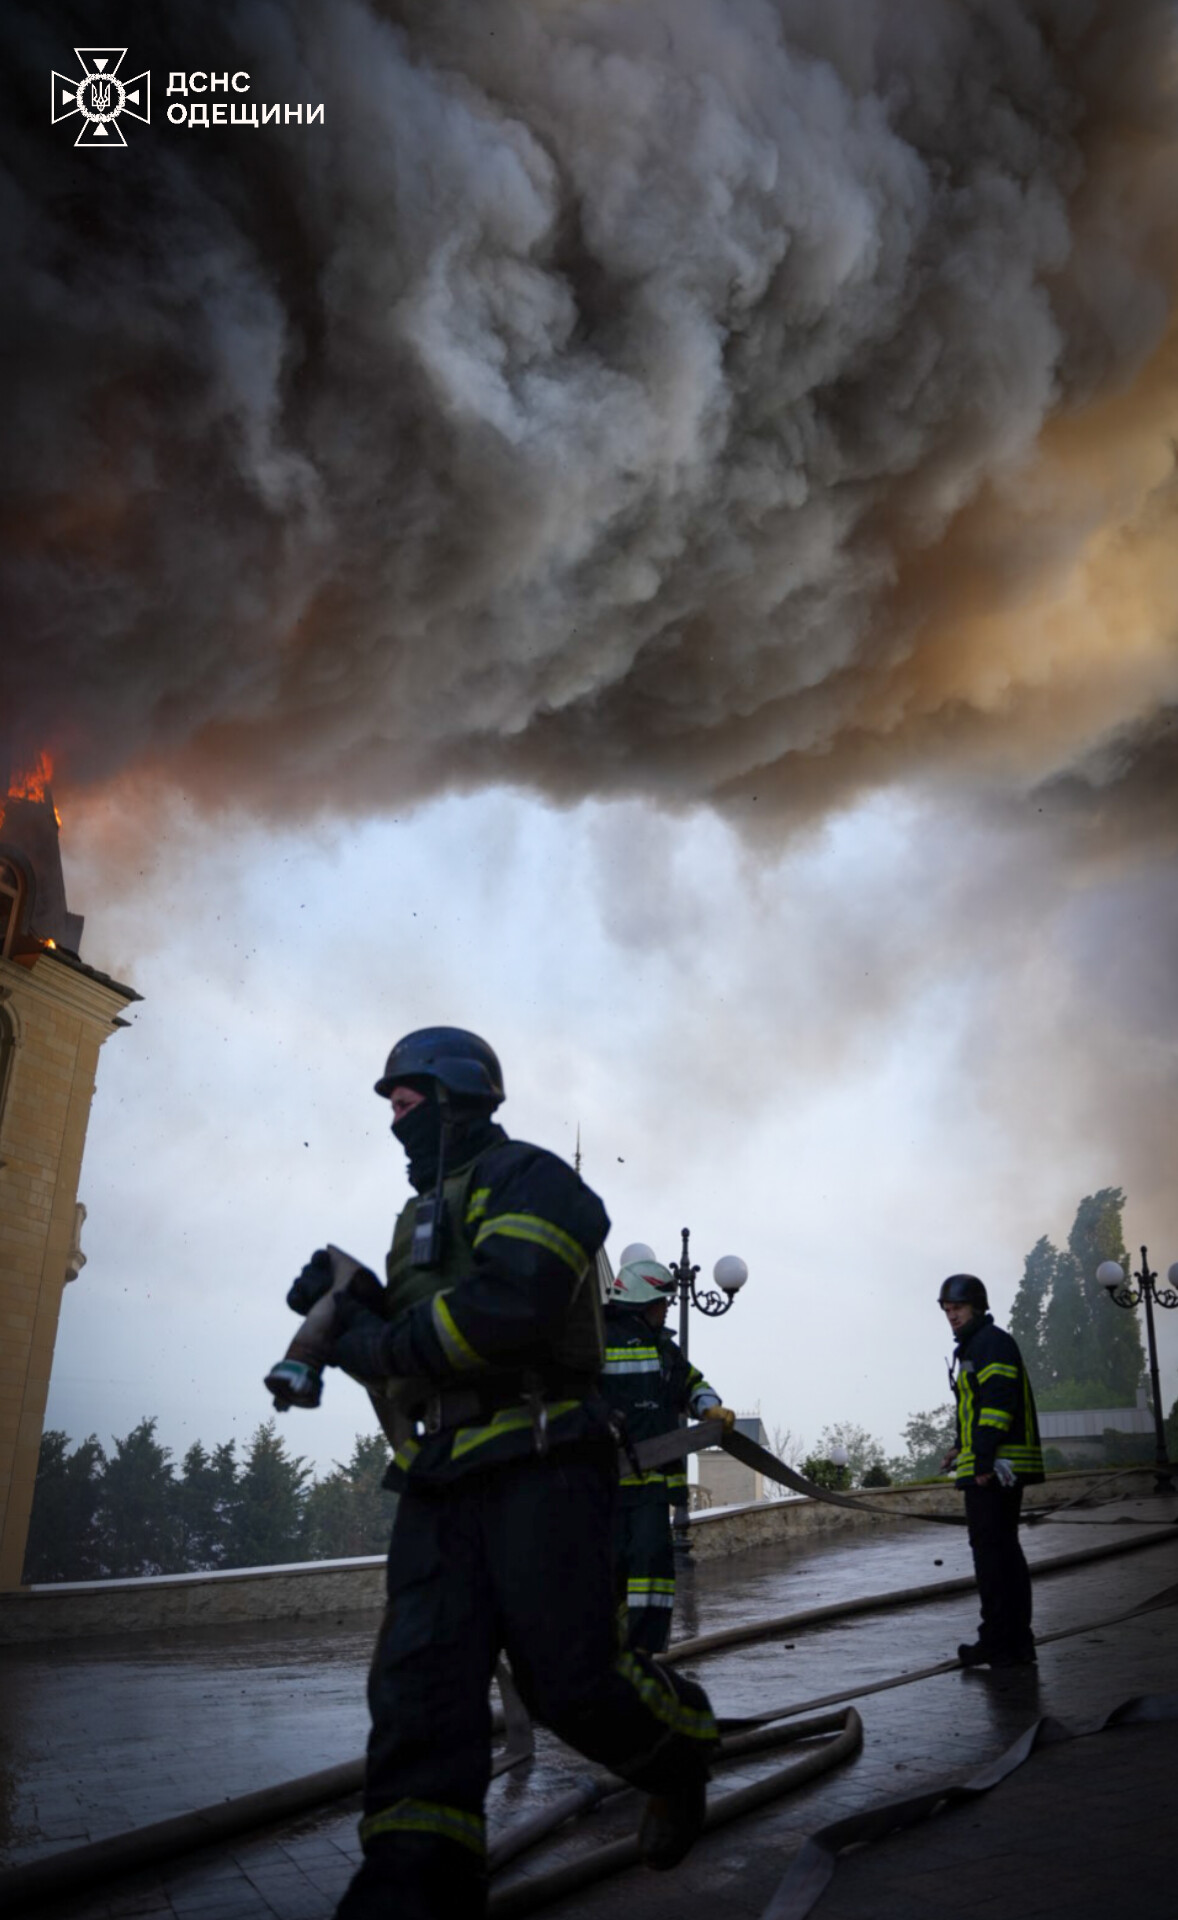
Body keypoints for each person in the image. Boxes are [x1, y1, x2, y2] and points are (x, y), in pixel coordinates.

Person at [288, 1027, 719, 1920]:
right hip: (441, 1480)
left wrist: (376, 1339)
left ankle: (681, 1750)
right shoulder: (420, 1220)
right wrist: (351, 1305)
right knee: (418, 1700)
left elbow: (507, 1306)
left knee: (571, 1683)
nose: (394, 1119)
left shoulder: (535, 1180)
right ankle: (408, 1897)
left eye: (405, 1100)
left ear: (454, 1096)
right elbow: (424, 1329)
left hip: (541, 1466)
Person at [602, 1255, 737, 1652]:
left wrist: (708, 1406)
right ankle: (626, 1654)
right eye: (663, 1302)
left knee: (650, 1572)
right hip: (611, 1487)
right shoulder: (599, 1342)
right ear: (646, 1302)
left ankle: (640, 1654)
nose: (666, 1310)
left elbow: (691, 1383)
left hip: (648, 1488)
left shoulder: (665, 1349)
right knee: (622, 1571)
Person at [939, 1272, 1044, 1669]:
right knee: (1002, 1554)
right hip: (995, 1464)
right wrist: (960, 1447)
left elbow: (998, 1405)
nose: (951, 1315)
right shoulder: (977, 1345)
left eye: (958, 1308)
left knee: (993, 1557)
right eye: (947, 1310)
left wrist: (981, 1460)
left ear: (977, 1307)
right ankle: (1014, 1641)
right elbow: (975, 1408)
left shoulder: (990, 1344)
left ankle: (1000, 1641)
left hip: (997, 1469)